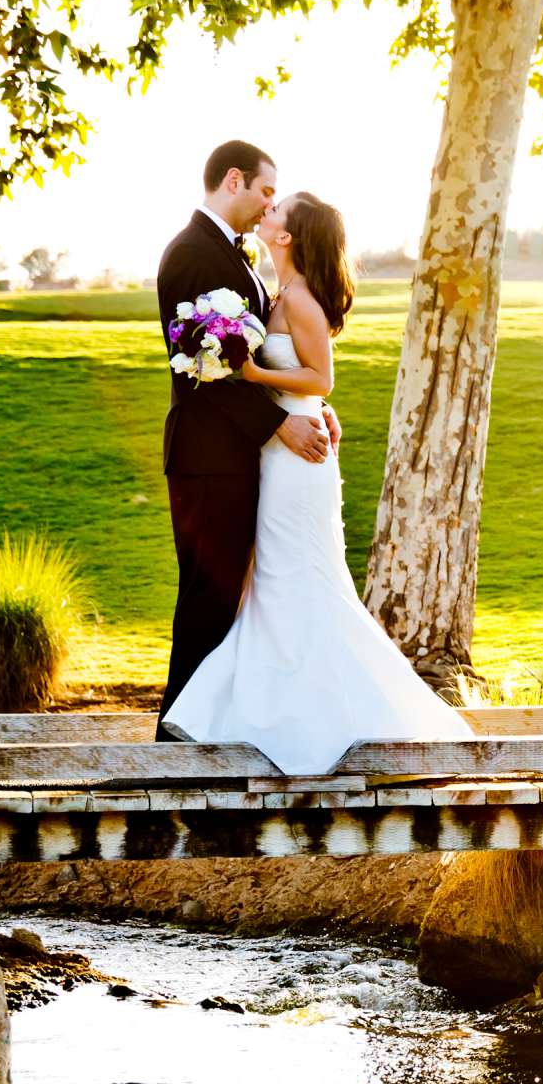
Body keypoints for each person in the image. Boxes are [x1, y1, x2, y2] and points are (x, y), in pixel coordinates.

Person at [160, 190, 471, 772]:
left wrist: (248, 369)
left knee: (300, 578)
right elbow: (299, 382)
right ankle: (268, 719)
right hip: (279, 450)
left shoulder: (298, 297)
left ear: (287, 236)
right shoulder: (274, 292)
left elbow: (319, 377)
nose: (268, 210)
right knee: (275, 583)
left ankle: (340, 719)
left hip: (297, 459)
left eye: (279, 210)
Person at [153, 139, 336, 730]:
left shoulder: (241, 260)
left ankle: (217, 731)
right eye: (265, 192)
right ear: (234, 180)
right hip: (208, 457)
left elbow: (256, 359)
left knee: (234, 602)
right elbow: (205, 369)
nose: (268, 206)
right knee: (208, 601)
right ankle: (179, 740)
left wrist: (306, 404)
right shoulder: (190, 254)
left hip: (240, 457)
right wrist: (281, 420)